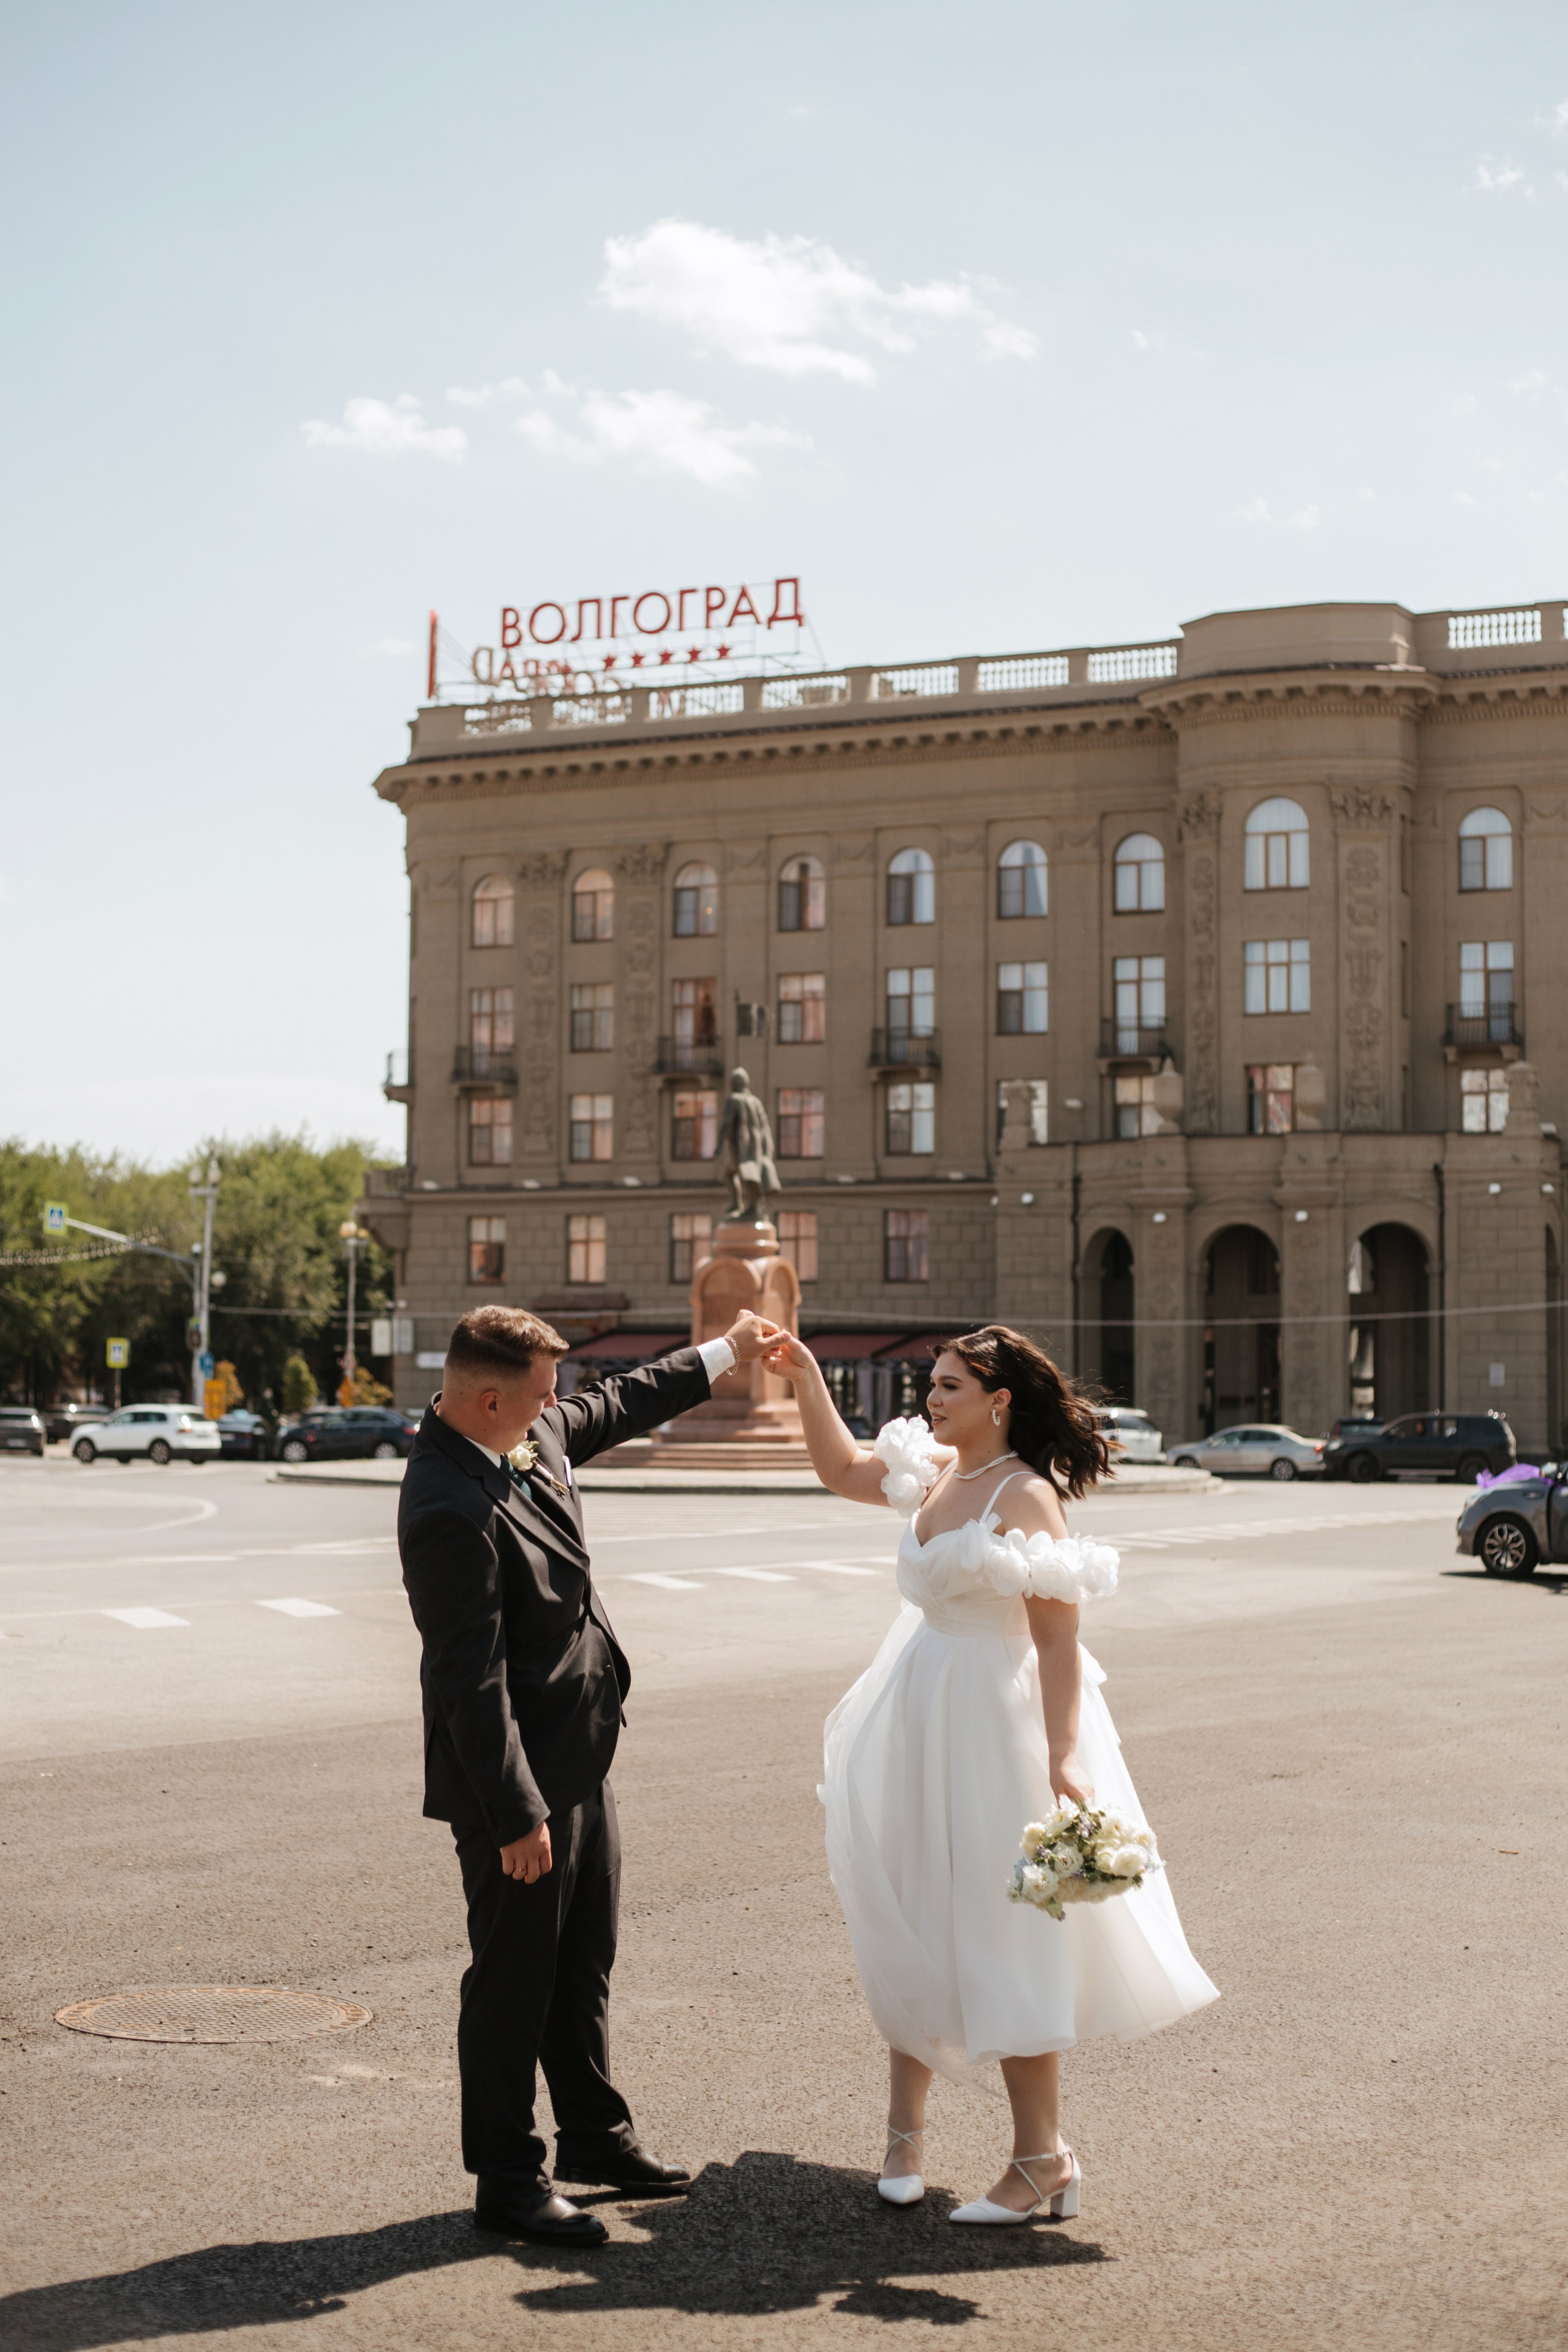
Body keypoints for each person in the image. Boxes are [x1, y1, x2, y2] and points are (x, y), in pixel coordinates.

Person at [761, 1323, 1218, 2225]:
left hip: (993, 1724)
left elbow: (1057, 1641)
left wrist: (1059, 1758)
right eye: (931, 1384)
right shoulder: (939, 1473)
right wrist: (808, 1376)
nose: (932, 1399)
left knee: (1004, 1931)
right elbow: (839, 1471)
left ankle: (1041, 2157)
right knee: (908, 1908)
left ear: (998, 1401)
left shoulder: (1025, 1495)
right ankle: (904, 2135)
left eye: (950, 1387)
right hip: (917, 1707)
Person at [398, 1303, 782, 2245]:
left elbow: (621, 1402)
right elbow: (469, 1679)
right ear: (491, 1400)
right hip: (516, 1784)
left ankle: (595, 2138)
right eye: (541, 1392)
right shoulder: (447, 1506)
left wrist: (726, 1350)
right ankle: (506, 2178)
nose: (557, 1404)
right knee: (512, 1979)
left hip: (582, 1750)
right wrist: (515, 1812)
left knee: (581, 1962)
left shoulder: (525, 1437)